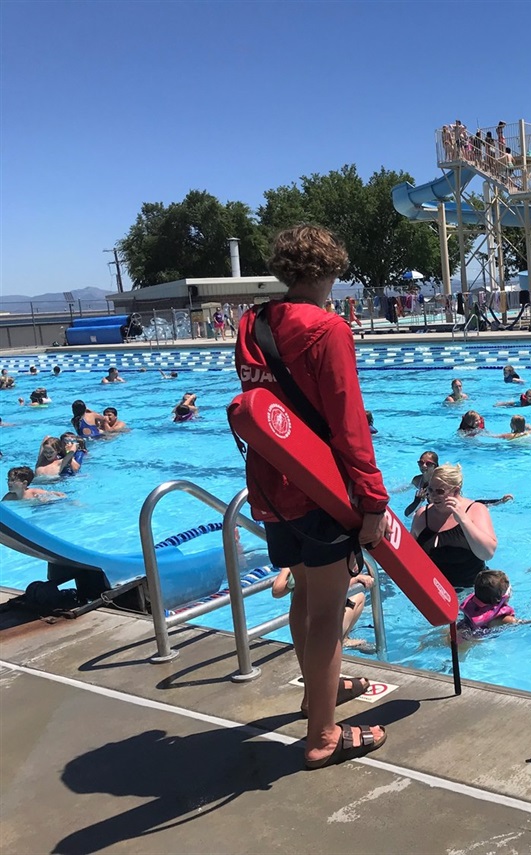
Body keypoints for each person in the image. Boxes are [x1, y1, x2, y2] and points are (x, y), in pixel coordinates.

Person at [234, 224, 390, 770]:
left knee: (305, 593)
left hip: (271, 485)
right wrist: (372, 502)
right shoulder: (328, 330)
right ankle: (324, 735)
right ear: (331, 268)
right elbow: (350, 427)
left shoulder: (252, 323)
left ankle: (315, 693)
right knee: (327, 608)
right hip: (321, 491)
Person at [411, 463, 498, 588]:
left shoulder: (476, 510)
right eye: (430, 490)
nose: (433, 495)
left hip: (469, 590)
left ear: (456, 490)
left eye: (440, 491)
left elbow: (487, 554)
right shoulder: (422, 514)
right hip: (433, 590)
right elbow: (410, 554)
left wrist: (463, 520)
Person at [272, 565, 373, 650]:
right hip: (325, 630)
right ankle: (342, 639)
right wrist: (356, 579)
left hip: (302, 626)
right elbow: (336, 588)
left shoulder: (297, 569)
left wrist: (286, 569)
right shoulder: (324, 565)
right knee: (359, 597)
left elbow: (277, 591)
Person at [403, 451, 439, 517]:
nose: (423, 466)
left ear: (435, 466)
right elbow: (406, 488)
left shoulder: (439, 483)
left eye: (428, 464)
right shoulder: (417, 480)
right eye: (421, 463)